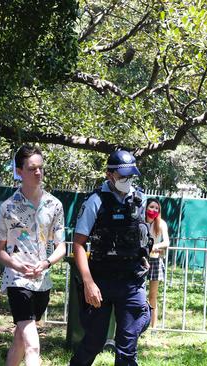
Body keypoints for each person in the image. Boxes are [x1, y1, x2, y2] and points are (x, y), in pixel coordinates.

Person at [70, 150, 151, 366]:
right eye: (123, 176)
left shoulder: (140, 199)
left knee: (127, 345)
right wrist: (88, 283)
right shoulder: (95, 201)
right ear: (109, 174)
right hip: (101, 280)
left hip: (131, 280)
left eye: (130, 176)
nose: (127, 181)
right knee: (94, 341)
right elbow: (78, 243)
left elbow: (144, 235)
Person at [0, 146, 66, 366]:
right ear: (19, 171)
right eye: (32, 168)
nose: (38, 173)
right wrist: (16, 264)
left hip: (43, 281)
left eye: (41, 168)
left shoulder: (55, 205)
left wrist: (46, 263)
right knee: (33, 344)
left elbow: (61, 247)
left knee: (20, 341)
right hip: (17, 281)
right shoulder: (7, 207)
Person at [145, 198, 170, 330]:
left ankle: (153, 326)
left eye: (156, 208)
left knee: (153, 295)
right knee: (138, 293)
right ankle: (139, 324)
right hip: (141, 259)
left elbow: (166, 242)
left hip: (155, 260)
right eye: (151, 207)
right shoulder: (140, 222)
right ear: (146, 207)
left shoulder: (161, 224)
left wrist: (153, 246)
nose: (153, 210)